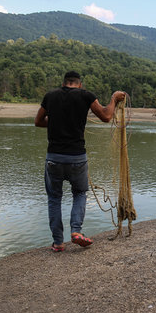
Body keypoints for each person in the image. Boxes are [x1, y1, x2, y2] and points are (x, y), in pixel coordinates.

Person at [35, 71, 126, 251]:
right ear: (79, 84)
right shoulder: (86, 96)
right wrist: (114, 98)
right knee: (79, 194)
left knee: (54, 198)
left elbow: (38, 121)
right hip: (77, 158)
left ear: (64, 83)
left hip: (54, 157)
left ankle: (58, 243)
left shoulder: (50, 96)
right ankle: (76, 231)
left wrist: (56, 123)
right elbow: (107, 116)